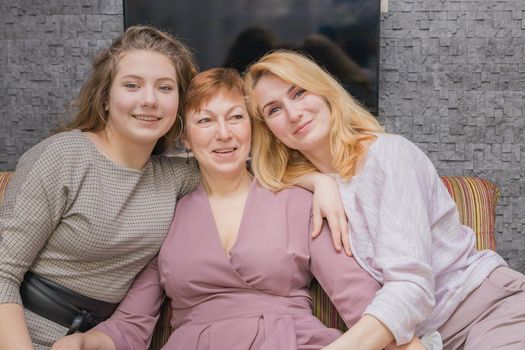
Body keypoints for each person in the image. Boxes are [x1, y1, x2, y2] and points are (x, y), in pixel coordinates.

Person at [51, 68, 430, 350]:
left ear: (252, 128)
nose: (224, 134)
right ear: (185, 136)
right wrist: (86, 343)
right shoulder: (168, 211)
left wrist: (408, 344)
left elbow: (357, 297)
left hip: (290, 340)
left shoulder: (299, 202)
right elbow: (133, 321)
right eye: (205, 120)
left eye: (235, 117)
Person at [244, 50, 525, 350]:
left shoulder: (389, 156)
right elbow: (259, 172)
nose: (293, 113)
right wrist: (317, 180)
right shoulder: (304, 190)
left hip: (488, 309)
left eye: (299, 93)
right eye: (274, 110)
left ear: (324, 91)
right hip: (420, 338)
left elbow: (411, 288)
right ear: (268, 131)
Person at [0, 25, 201, 349]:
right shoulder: (62, 157)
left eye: (165, 88)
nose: (149, 100)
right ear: (105, 97)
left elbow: (258, 171)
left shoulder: (176, 177)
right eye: (132, 85)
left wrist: (313, 179)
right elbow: (2, 272)